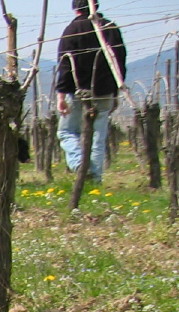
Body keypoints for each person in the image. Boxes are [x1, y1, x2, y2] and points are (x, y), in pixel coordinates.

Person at [55, 0, 127, 181]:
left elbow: (65, 65)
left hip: (77, 91)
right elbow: (119, 63)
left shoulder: (70, 31)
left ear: (75, 8)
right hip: (105, 91)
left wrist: (61, 96)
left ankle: (80, 165)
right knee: (98, 136)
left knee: (66, 132)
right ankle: (95, 177)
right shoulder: (110, 28)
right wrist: (116, 90)